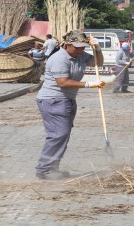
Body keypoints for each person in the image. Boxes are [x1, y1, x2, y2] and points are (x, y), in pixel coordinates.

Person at [35, 30, 105, 180]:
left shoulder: (80, 55)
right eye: (77, 47)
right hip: (53, 100)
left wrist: (97, 48)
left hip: (67, 100)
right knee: (57, 135)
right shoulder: (59, 58)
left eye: (83, 47)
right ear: (67, 44)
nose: (80, 50)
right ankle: (44, 169)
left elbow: (98, 63)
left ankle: (52, 167)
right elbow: (63, 82)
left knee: (63, 135)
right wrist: (89, 84)